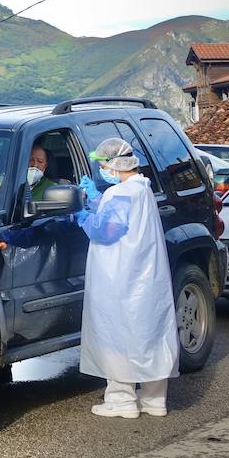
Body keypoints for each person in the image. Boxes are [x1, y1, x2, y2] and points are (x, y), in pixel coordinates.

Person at [74, 137, 178, 419]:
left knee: (116, 333)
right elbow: (119, 214)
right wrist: (97, 198)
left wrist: (80, 213)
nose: (101, 168)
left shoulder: (121, 194)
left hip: (118, 277)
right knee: (149, 333)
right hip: (146, 278)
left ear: (114, 163)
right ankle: (155, 399)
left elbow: (106, 230)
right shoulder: (140, 188)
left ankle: (122, 400)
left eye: (103, 163)